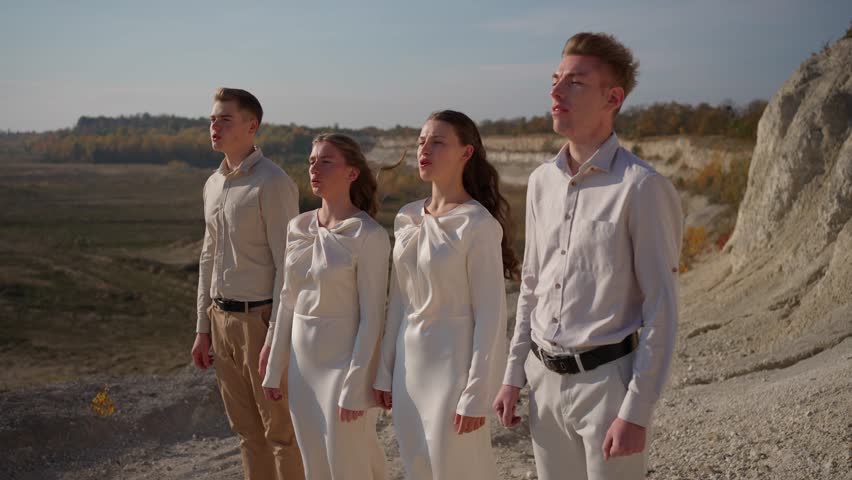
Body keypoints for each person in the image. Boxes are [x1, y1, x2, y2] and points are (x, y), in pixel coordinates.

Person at [492, 32, 683, 480]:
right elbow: (532, 284)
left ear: (612, 98)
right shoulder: (541, 181)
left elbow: (662, 307)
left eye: (575, 82)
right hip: (543, 379)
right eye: (555, 80)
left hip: (607, 385)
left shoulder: (642, 187)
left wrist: (636, 411)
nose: (556, 92)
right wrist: (514, 373)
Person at [373, 110, 519, 480]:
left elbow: (490, 314)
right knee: (417, 468)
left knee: (457, 470)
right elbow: (398, 302)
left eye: (438, 142)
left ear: (466, 153)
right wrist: (385, 369)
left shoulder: (477, 223)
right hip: (409, 368)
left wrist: (477, 391)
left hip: (453, 369)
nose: (425, 150)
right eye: (421, 141)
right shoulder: (406, 217)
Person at [260, 133, 395, 480]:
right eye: (311, 161)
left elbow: (373, 317)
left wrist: (355, 383)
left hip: (344, 367)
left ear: (352, 173)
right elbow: (287, 300)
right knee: (315, 466)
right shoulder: (297, 227)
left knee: (350, 466)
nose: (314, 169)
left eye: (326, 161)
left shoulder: (369, 235)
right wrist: (275, 368)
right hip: (302, 369)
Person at [191, 87, 303, 480]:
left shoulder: (273, 183)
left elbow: (288, 265)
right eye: (212, 119)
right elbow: (207, 258)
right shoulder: (213, 184)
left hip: (260, 321)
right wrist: (203, 327)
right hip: (220, 320)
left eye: (225, 119)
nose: (214, 126)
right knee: (246, 433)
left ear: (251, 126)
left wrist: (276, 335)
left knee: (281, 434)